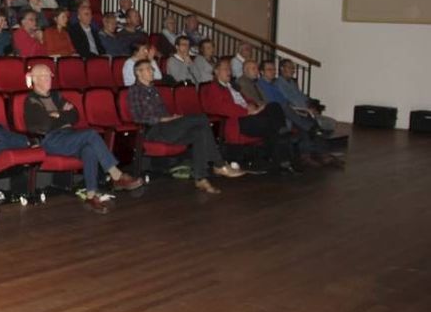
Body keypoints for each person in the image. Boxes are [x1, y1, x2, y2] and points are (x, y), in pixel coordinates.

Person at [24, 65, 142, 212]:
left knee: (89, 150)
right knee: (91, 134)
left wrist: (57, 114)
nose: (49, 78)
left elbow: (75, 116)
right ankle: (116, 175)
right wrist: (62, 114)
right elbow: (45, 125)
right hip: (50, 140)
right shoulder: (31, 100)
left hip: (68, 135)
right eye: (44, 75)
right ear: (34, 79)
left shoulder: (56, 96)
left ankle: (91, 195)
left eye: (50, 75)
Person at [128, 59, 245, 194]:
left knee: (199, 132)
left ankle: (200, 178)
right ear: (138, 73)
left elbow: (163, 113)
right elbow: (138, 117)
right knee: (201, 118)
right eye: (148, 69)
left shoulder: (153, 89)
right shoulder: (135, 90)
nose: (152, 71)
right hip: (154, 130)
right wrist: (163, 119)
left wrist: (172, 118)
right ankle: (219, 164)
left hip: (167, 127)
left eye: (152, 69)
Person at [203, 61, 295, 173]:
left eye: (230, 69)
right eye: (225, 69)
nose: (229, 72)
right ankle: (282, 159)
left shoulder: (233, 86)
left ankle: (281, 148)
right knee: (273, 125)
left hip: (250, 114)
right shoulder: (213, 87)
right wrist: (247, 111)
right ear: (217, 71)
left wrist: (254, 106)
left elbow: (246, 99)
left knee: (274, 106)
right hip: (239, 120)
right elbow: (222, 107)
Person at [274, 59, 338, 134]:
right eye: (290, 67)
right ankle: (315, 130)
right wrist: (307, 109)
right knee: (324, 125)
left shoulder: (292, 82)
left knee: (332, 123)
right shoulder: (278, 83)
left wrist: (311, 104)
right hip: (297, 112)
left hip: (306, 110)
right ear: (282, 68)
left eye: (293, 68)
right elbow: (289, 101)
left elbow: (301, 96)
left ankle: (318, 131)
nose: (293, 70)